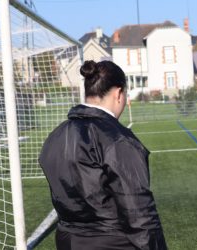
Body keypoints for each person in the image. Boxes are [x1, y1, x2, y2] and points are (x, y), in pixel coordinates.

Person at [39, 60, 167, 250]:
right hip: (112, 243)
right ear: (118, 93)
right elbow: (139, 213)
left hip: (67, 241)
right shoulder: (118, 140)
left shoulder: (55, 136)